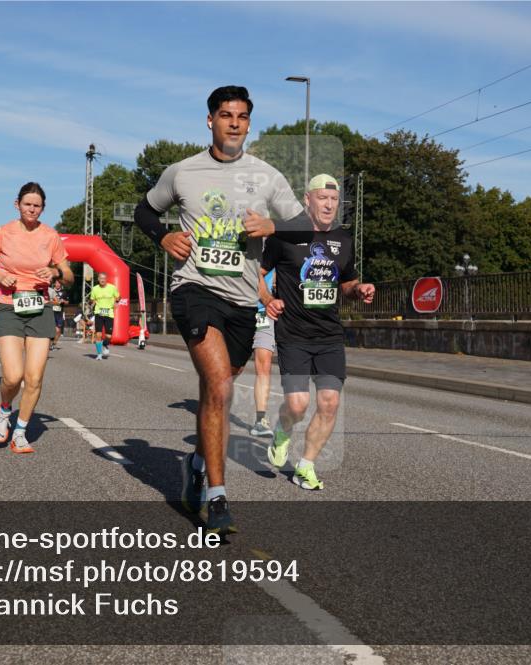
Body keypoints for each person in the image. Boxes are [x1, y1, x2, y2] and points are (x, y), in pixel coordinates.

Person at [134, 85, 315, 533]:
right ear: (210, 121)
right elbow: (144, 210)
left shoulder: (267, 176)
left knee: (220, 389)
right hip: (194, 287)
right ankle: (217, 497)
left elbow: (306, 226)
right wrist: (162, 236)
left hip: (241, 299)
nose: (233, 122)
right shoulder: (182, 172)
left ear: (248, 124)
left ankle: (197, 462)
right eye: (224, 115)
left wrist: (273, 225)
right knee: (217, 384)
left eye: (241, 116)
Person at [262, 174, 375, 490]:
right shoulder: (284, 236)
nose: (328, 205)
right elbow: (255, 273)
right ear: (307, 199)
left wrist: (359, 289)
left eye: (334, 200)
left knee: (329, 403)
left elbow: (347, 282)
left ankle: (305, 466)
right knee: (297, 405)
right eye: (322, 198)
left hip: (329, 336)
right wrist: (268, 300)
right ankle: (283, 429)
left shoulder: (344, 239)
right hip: (293, 334)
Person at [0, 182, 73, 454]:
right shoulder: (3, 233)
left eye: (37, 205)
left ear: (43, 208)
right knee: (13, 376)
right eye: (27, 204)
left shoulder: (50, 236)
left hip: (39, 306)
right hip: (8, 306)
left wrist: (54, 273)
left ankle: (20, 431)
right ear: (17, 204)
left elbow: (69, 275)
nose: (32, 209)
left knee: (34, 378)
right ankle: (4, 410)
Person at [249, 268, 276, 437]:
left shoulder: (276, 244)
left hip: (262, 312)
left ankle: (260, 420)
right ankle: (216, 406)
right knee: (229, 365)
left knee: (264, 363)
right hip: (237, 308)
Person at [88, 272, 118, 360]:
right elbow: (92, 299)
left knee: (108, 336)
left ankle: (105, 344)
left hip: (109, 314)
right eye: (101, 278)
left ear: (106, 279)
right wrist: (91, 303)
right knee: (98, 335)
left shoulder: (112, 288)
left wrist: (116, 302)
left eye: (104, 278)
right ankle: (99, 354)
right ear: (98, 279)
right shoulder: (94, 289)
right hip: (99, 313)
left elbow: (118, 297)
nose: (102, 280)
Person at [48, 278, 68, 350]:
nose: (58, 284)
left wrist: (63, 301)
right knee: (50, 328)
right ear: (54, 284)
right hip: (50, 312)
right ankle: (49, 343)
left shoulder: (64, 292)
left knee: (58, 330)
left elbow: (67, 302)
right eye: (56, 283)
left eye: (59, 283)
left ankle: (54, 343)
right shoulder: (49, 290)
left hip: (59, 312)